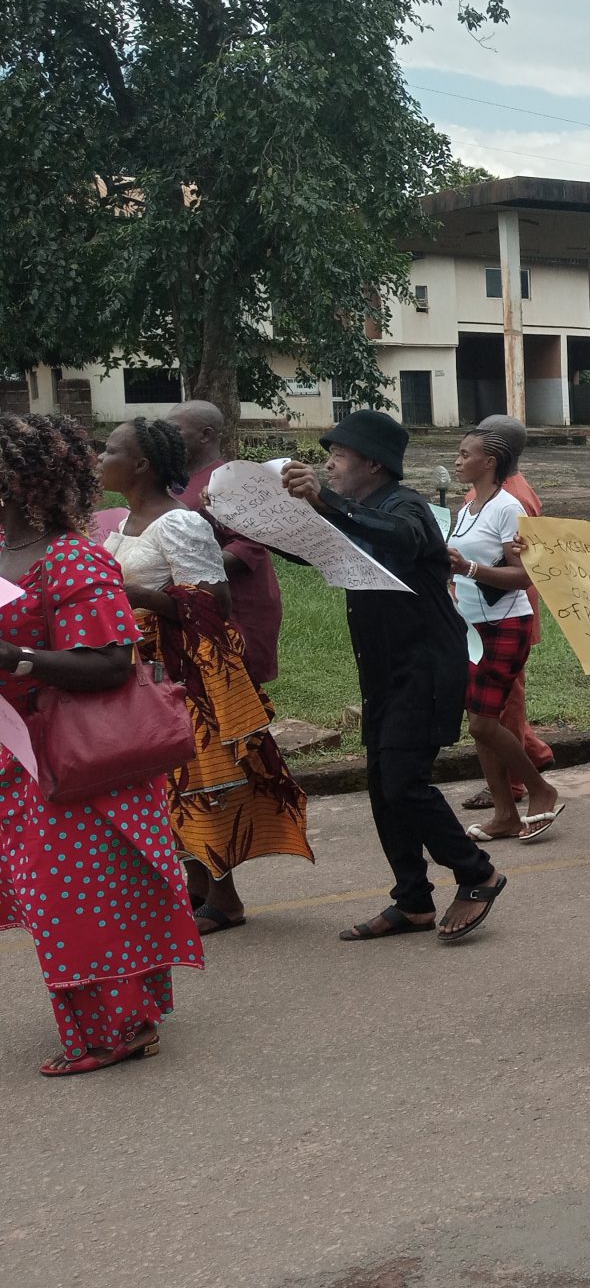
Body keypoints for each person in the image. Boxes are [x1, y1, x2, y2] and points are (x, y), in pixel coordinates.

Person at [0, 414, 205, 1075]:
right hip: (19, 754)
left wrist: (17, 658)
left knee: (82, 893)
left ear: (21, 478)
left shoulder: (74, 557)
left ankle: (121, 1026)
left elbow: (114, 662)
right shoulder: (5, 551)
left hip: (75, 755)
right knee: (50, 892)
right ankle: (123, 1011)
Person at [281, 412, 507, 941]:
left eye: (338, 456)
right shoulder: (352, 512)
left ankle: (478, 873)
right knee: (384, 786)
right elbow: (309, 548)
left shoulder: (405, 508)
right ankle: (413, 900)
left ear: (373, 463)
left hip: (425, 665)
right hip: (383, 667)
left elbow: (402, 538)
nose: (329, 466)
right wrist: (244, 520)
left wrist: (327, 501)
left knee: (406, 783)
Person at [100, 419, 311, 934]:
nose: (99, 459)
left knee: (197, 781)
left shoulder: (179, 524)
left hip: (182, 677)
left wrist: (141, 598)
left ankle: (224, 898)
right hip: (136, 671)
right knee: (162, 782)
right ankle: (195, 887)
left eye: (109, 450)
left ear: (142, 465)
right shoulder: (121, 525)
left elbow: (214, 602)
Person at [446, 426, 558, 843]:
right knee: (479, 723)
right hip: (473, 625)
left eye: (464, 454)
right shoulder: (471, 506)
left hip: (507, 623)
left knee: (483, 724)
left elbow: (524, 575)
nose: (457, 461)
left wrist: (467, 569)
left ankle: (541, 789)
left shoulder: (509, 508)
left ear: (489, 462)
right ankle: (505, 813)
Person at [166, 400, 282, 689]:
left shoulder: (232, 479)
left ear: (205, 435)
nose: (167, 438)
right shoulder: (176, 481)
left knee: (236, 690)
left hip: (237, 602)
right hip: (193, 601)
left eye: (175, 430)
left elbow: (251, 544)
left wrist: (188, 570)